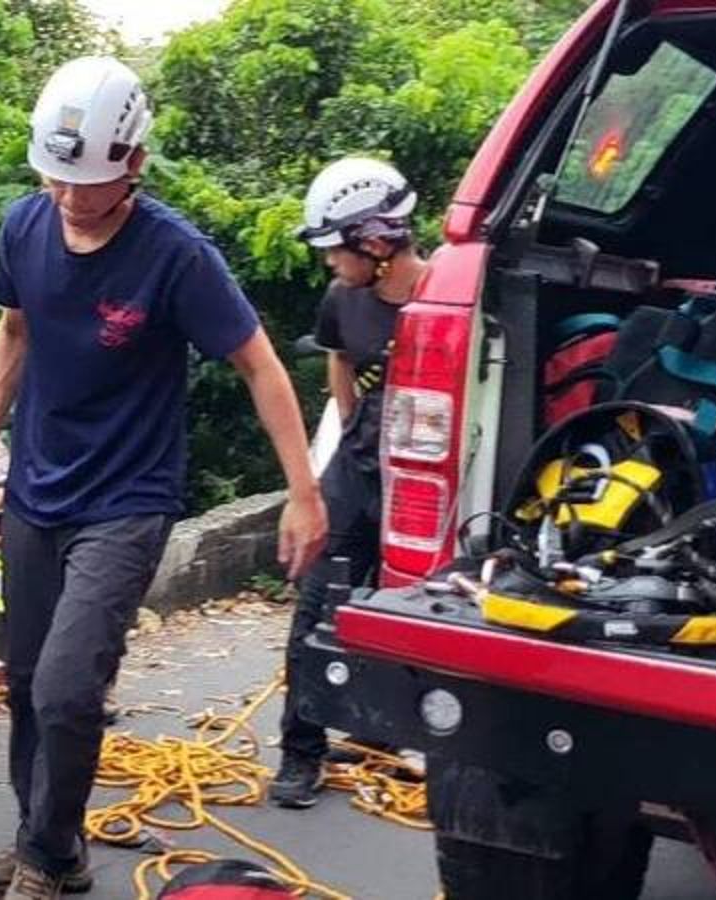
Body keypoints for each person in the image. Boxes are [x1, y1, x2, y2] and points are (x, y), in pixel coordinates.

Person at [0, 56, 329, 900]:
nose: (68, 199)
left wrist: (304, 493)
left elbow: (260, 365)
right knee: (23, 682)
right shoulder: (24, 224)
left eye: (87, 184)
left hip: (128, 497)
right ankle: (47, 842)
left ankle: (46, 861)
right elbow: (13, 334)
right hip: (37, 490)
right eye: (56, 178)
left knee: (67, 686)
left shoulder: (176, 256)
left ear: (134, 166)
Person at [269, 158, 429, 809]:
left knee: (412, 616)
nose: (332, 263)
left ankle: (389, 733)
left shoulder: (452, 294)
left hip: (423, 489)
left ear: (376, 241)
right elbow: (340, 361)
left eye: (338, 249)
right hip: (357, 473)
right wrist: (351, 431)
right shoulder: (342, 299)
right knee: (316, 607)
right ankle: (299, 752)